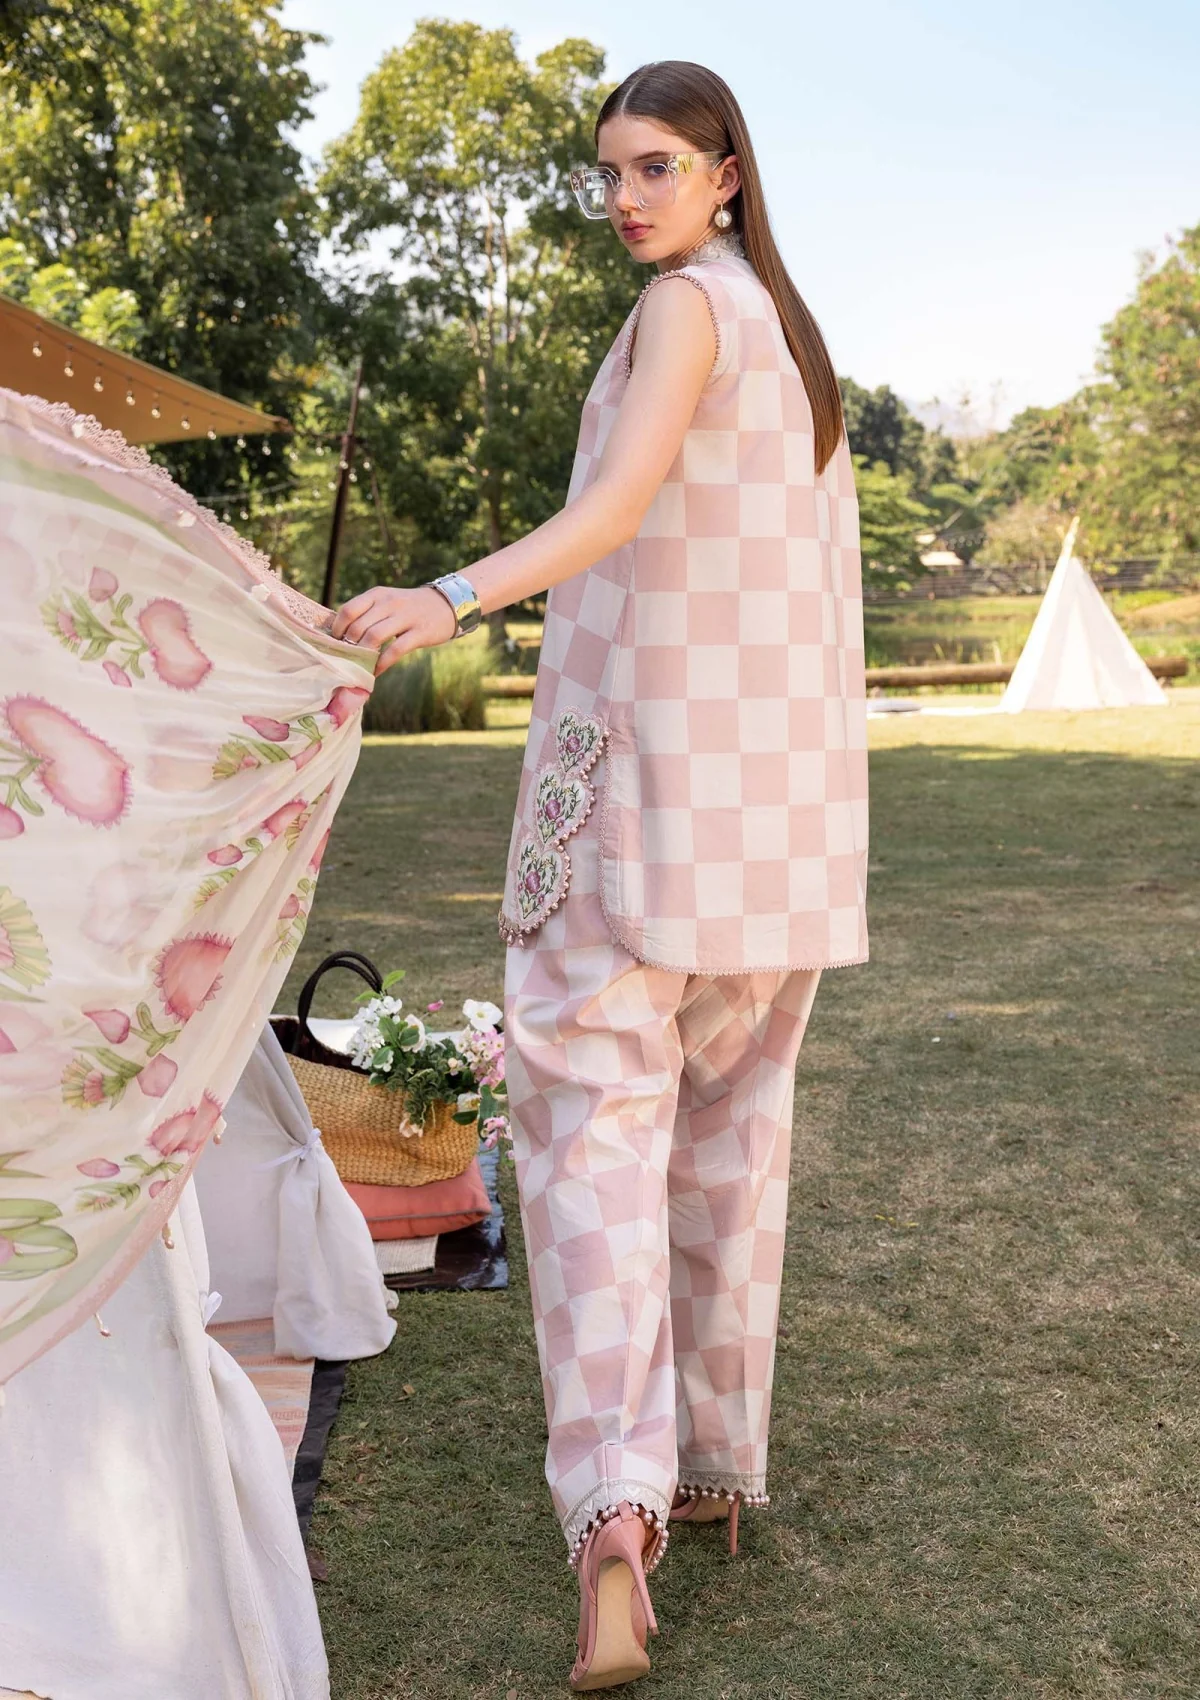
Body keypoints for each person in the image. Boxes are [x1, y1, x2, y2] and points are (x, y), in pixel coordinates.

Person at [332, 58, 868, 1693]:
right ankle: (708, 1467)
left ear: (725, 173)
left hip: (642, 812)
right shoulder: (792, 344)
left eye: (655, 167)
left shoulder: (686, 312)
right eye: (609, 172)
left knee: (588, 1151)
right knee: (726, 1143)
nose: (626, 198)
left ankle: (615, 1517)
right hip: (774, 828)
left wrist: (446, 594)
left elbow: (617, 506)